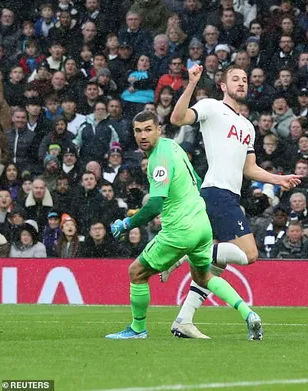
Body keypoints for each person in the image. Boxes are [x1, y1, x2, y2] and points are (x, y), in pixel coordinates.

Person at [165, 64, 302, 338]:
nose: (242, 83)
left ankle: (183, 319)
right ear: (223, 86)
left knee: (215, 268)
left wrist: (279, 179)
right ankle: (188, 254)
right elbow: (177, 118)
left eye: (245, 80)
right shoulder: (211, 107)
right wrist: (191, 83)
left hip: (227, 196)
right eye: (235, 79)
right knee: (250, 255)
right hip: (216, 192)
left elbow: (249, 168)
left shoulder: (247, 126)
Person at [105, 111, 262, 341]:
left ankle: (137, 329)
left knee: (136, 272)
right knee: (204, 278)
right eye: (138, 131)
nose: (143, 135)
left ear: (159, 129)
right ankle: (248, 314)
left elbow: (155, 204)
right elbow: (197, 181)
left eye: (149, 129)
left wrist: (127, 224)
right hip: (201, 226)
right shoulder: (173, 147)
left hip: (180, 230)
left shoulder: (158, 158)